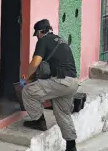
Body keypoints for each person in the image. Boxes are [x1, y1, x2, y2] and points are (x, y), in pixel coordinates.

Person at [21, 19, 79, 151]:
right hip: (72, 83)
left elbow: (35, 62)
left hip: (60, 82)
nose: (37, 38)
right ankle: (71, 146)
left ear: (41, 32)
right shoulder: (60, 40)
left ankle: (38, 120)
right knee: (63, 113)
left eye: (37, 35)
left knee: (28, 91)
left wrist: (27, 78)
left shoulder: (43, 41)